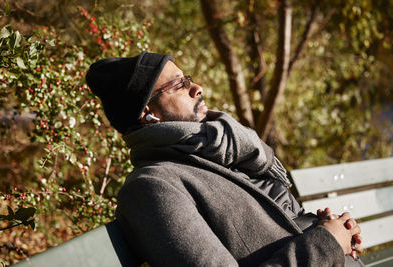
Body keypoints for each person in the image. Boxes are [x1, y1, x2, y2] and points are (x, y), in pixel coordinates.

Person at [86, 51, 364, 266]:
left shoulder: (217, 153)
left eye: (189, 78)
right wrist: (325, 243)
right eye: (179, 84)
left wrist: (321, 229)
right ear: (149, 113)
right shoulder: (152, 187)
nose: (198, 88)